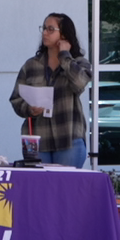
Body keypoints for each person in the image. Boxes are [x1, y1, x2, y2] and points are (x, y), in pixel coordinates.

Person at [9, 13, 93, 168]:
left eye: (50, 29)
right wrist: (29, 109)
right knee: (40, 183)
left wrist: (65, 56)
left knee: (65, 183)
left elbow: (80, 83)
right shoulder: (31, 65)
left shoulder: (79, 63)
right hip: (37, 141)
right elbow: (16, 99)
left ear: (64, 35)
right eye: (44, 28)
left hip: (69, 138)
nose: (44, 33)